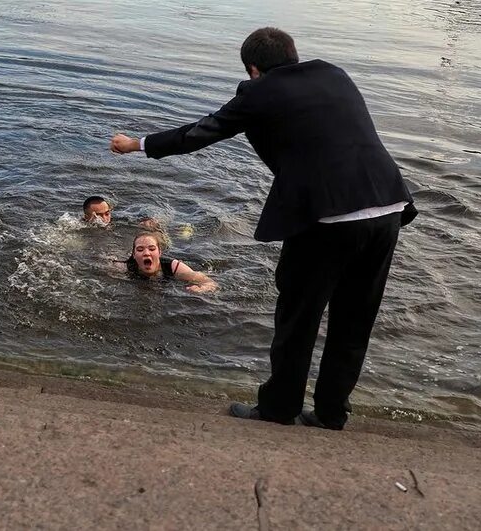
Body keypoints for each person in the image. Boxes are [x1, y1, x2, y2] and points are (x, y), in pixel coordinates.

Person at [110, 27, 416, 430]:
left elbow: (201, 132)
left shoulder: (258, 92)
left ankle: (278, 408)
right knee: (355, 319)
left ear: (254, 70)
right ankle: (330, 413)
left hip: (327, 217)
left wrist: (138, 144)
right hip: (388, 206)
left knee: (297, 316)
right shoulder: (334, 74)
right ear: (293, 54)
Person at [124, 229, 217, 293]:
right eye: (140, 250)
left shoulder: (174, 267)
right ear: (134, 255)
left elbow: (210, 282)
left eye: (152, 249)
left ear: (159, 252)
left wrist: (202, 289)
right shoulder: (126, 267)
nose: (146, 253)